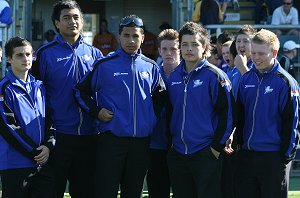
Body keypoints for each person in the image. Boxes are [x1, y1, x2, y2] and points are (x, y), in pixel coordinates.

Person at [74, 14, 163, 198]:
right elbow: (80, 92)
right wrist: (97, 111)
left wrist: (150, 120)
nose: (131, 40)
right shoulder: (105, 64)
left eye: (136, 36)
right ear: (119, 36)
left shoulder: (151, 67)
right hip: (111, 142)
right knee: (105, 192)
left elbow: (161, 98)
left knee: (133, 193)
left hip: (140, 143)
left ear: (143, 38)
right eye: (127, 35)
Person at [31, 1, 103, 198]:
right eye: (66, 18)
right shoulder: (45, 54)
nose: (72, 21)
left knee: (85, 191)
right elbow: (36, 98)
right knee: (53, 191)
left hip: (89, 136)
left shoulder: (95, 54)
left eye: (76, 17)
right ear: (56, 23)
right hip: (59, 137)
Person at [167, 21, 233, 198]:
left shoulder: (215, 76)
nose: (189, 48)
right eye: (184, 44)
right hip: (179, 153)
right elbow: (170, 113)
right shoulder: (173, 76)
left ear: (204, 46)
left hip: (206, 152)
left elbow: (228, 114)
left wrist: (216, 148)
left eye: (194, 44)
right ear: (179, 47)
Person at [235, 29, 300, 198]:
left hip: (274, 158)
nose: (256, 57)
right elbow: (240, 116)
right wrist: (239, 146)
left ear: (275, 53)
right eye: (253, 52)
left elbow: (292, 122)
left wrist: (285, 157)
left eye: (261, 53)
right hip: (248, 156)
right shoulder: (246, 79)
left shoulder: (285, 82)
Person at [0, 36, 55, 198]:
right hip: (15, 164)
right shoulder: (5, 88)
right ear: (9, 59)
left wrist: (48, 145)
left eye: (29, 54)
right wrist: (34, 151)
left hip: (41, 162)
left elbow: (49, 119)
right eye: (19, 55)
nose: (26, 58)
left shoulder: (39, 86)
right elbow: (8, 127)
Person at [147, 28, 180, 198]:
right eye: (165, 49)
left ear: (180, 49)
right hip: (156, 146)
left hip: (183, 147)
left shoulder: (189, 76)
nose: (169, 53)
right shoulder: (151, 76)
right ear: (159, 50)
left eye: (173, 49)